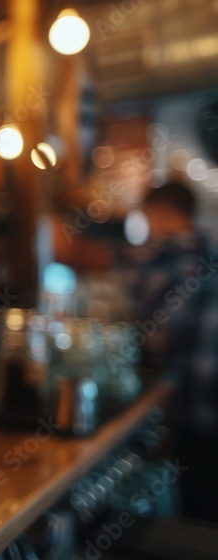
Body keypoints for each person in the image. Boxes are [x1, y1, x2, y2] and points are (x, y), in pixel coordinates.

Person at [121, 181, 218, 522]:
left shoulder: (169, 254)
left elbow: (150, 335)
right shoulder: (209, 249)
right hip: (207, 399)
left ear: (162, 211)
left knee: (197, 509)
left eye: (147, 216)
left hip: (198, 406)